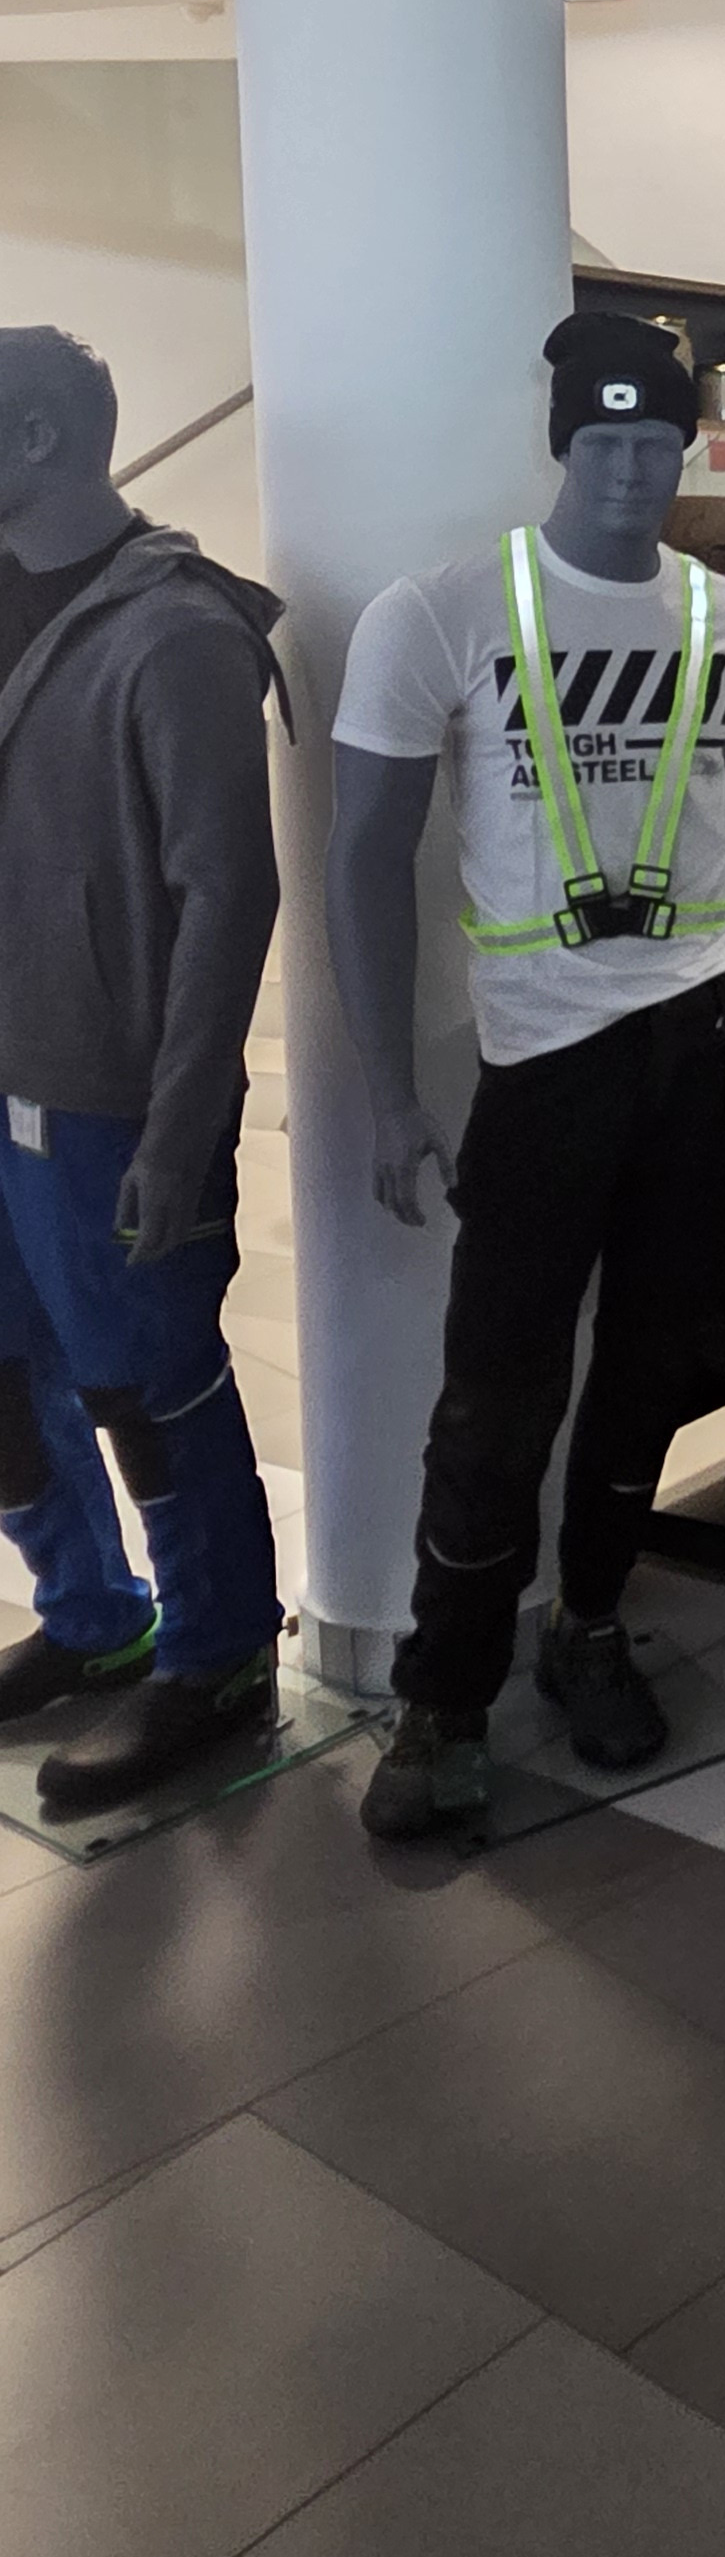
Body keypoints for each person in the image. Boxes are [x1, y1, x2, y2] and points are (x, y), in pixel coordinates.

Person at [328, 312, 725, 1842]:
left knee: (654, 1361)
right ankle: (442, 1696)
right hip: (542, 1058)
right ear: (563, 446)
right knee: (496, 1390)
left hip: (702, 1040)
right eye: (604, 442)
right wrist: (386, 1093)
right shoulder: (440, 614)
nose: (630, 471)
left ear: (687, 449)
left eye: (657, 444)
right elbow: (361, 856)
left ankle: (595, 1626)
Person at [0, 326, 288, 1815]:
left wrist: (182, 1129)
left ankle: (219, 1653)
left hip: (105, 1098)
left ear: (41, 437)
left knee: (148, 1384)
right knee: (4, 1378)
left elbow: (228, 894)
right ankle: (91, 1617)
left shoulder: (176, 633)